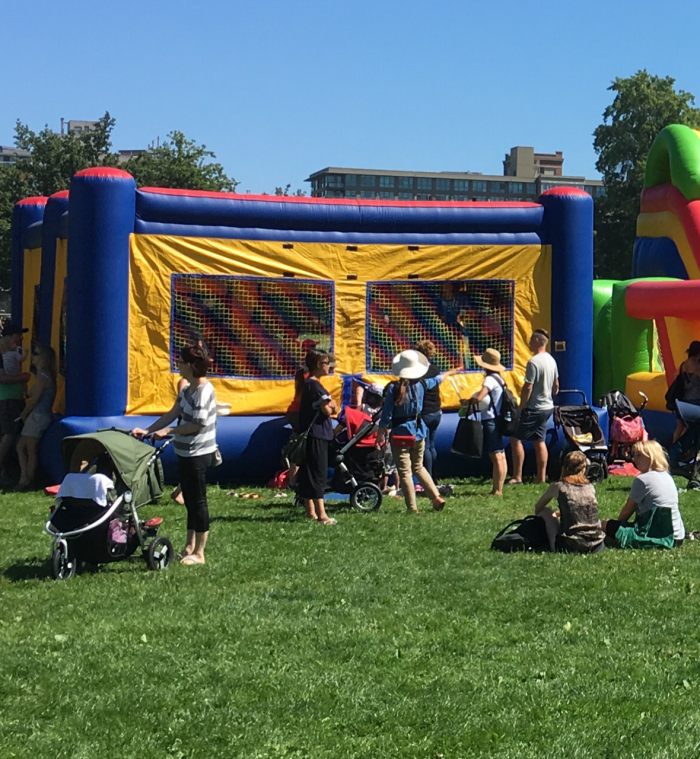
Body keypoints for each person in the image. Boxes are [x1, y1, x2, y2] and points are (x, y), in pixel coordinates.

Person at [133, 344, 218, 565]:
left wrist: (169, 432)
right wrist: (148, 430)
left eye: (180, 362)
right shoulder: (187, 389)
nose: (177, 365)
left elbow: (198, 424)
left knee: (198, 502)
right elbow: (173, 413)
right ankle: (189, 546)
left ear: (190, 366)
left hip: (199, 453)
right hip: (185, 451)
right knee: (189, 500)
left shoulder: (203, 390)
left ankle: (200, 553)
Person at [376, 350, 459, 514]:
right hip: (418, 431)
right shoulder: (421, 385)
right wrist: (451, 371)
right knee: (419, 467)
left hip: (400, 433)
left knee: (405, 472)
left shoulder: (394, 388)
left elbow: (387, 413)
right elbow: (437, 379)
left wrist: (381, 432)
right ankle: (435, 497)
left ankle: (412, 507)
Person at [602, 440, 685, 549]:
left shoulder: (643, 480)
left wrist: (616, 527)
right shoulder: (667, 476)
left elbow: (626, 513)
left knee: (605, 524)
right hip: (678, 536)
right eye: (634, 455)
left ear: (651, 456)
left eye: (639, 455)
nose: (634, 460)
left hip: (658, 536)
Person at [508, 329, 559, 485]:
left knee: (515, 439)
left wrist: (522, 406)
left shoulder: (534, 362)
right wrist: (549, 396)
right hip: (547, 406)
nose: (529, 343)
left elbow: (527, 387)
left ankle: (517, 476)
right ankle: (540, 477)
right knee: (539, 440)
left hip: (534, 408)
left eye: (531, 340)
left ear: (537, 341)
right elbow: (556, 385)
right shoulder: (551, 360)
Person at [533, 451, 605, 553]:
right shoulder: (590, 487)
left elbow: (538, 507)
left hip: (570, 545)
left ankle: (549, 543)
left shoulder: (559, 486)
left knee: (546, 511)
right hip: (597, 545)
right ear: (584, 469)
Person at [296, 349, 338, 524]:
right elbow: (329, 410)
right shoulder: (314, 385)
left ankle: (310, 510)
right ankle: (322, 514)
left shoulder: (309, 384)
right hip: (317, 433)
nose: (329, 366)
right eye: (326, 362)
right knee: (318, 473)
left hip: (311, 432)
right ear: (317, 365)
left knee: (308, 472)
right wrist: (333, 405)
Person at [16, 344, 56, 490]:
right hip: (38, 415)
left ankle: (26, 480)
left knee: (28, 448)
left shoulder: (42, 377)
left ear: (44, 358)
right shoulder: (43, 376)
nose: (32, 356)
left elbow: (34, 401)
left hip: (38, 416)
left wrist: (23, 414)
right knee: (22, 446)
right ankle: (26, 477)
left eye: (36, 353)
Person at [468, 348, 508, 496]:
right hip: (498, 418)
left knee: (496, 455)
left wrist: (469, 401)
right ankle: (498, 487)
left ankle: (497, 489)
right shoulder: (500, 378)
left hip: (489, 419)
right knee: (500, 454)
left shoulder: (490, 379)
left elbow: (480, 398)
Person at [0, 321, 31, 484]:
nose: (21, 338)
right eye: (18, 335)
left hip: (15, 397)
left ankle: (6, 469)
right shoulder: (1, 353)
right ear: (9, 337)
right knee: (9, 433)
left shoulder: (12, 352)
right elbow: (2, 378)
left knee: (10, 433)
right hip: (7, 398)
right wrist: (22, 377)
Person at [414, 340, 442, 479]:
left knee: (425, 446)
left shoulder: (418, 373)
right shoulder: (435, 370)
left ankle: (428, 476)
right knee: (431, 445)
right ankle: (434, 473)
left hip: (425, 412)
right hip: (436, 410)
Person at [671, 340, 700, 443]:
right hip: (694, 400)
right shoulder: (696, 366)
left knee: (680, 427)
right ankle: (685, 449)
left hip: (682, 400)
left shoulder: (684, 364)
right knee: (692, 427)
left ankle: (674, 446)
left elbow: (675, 375)